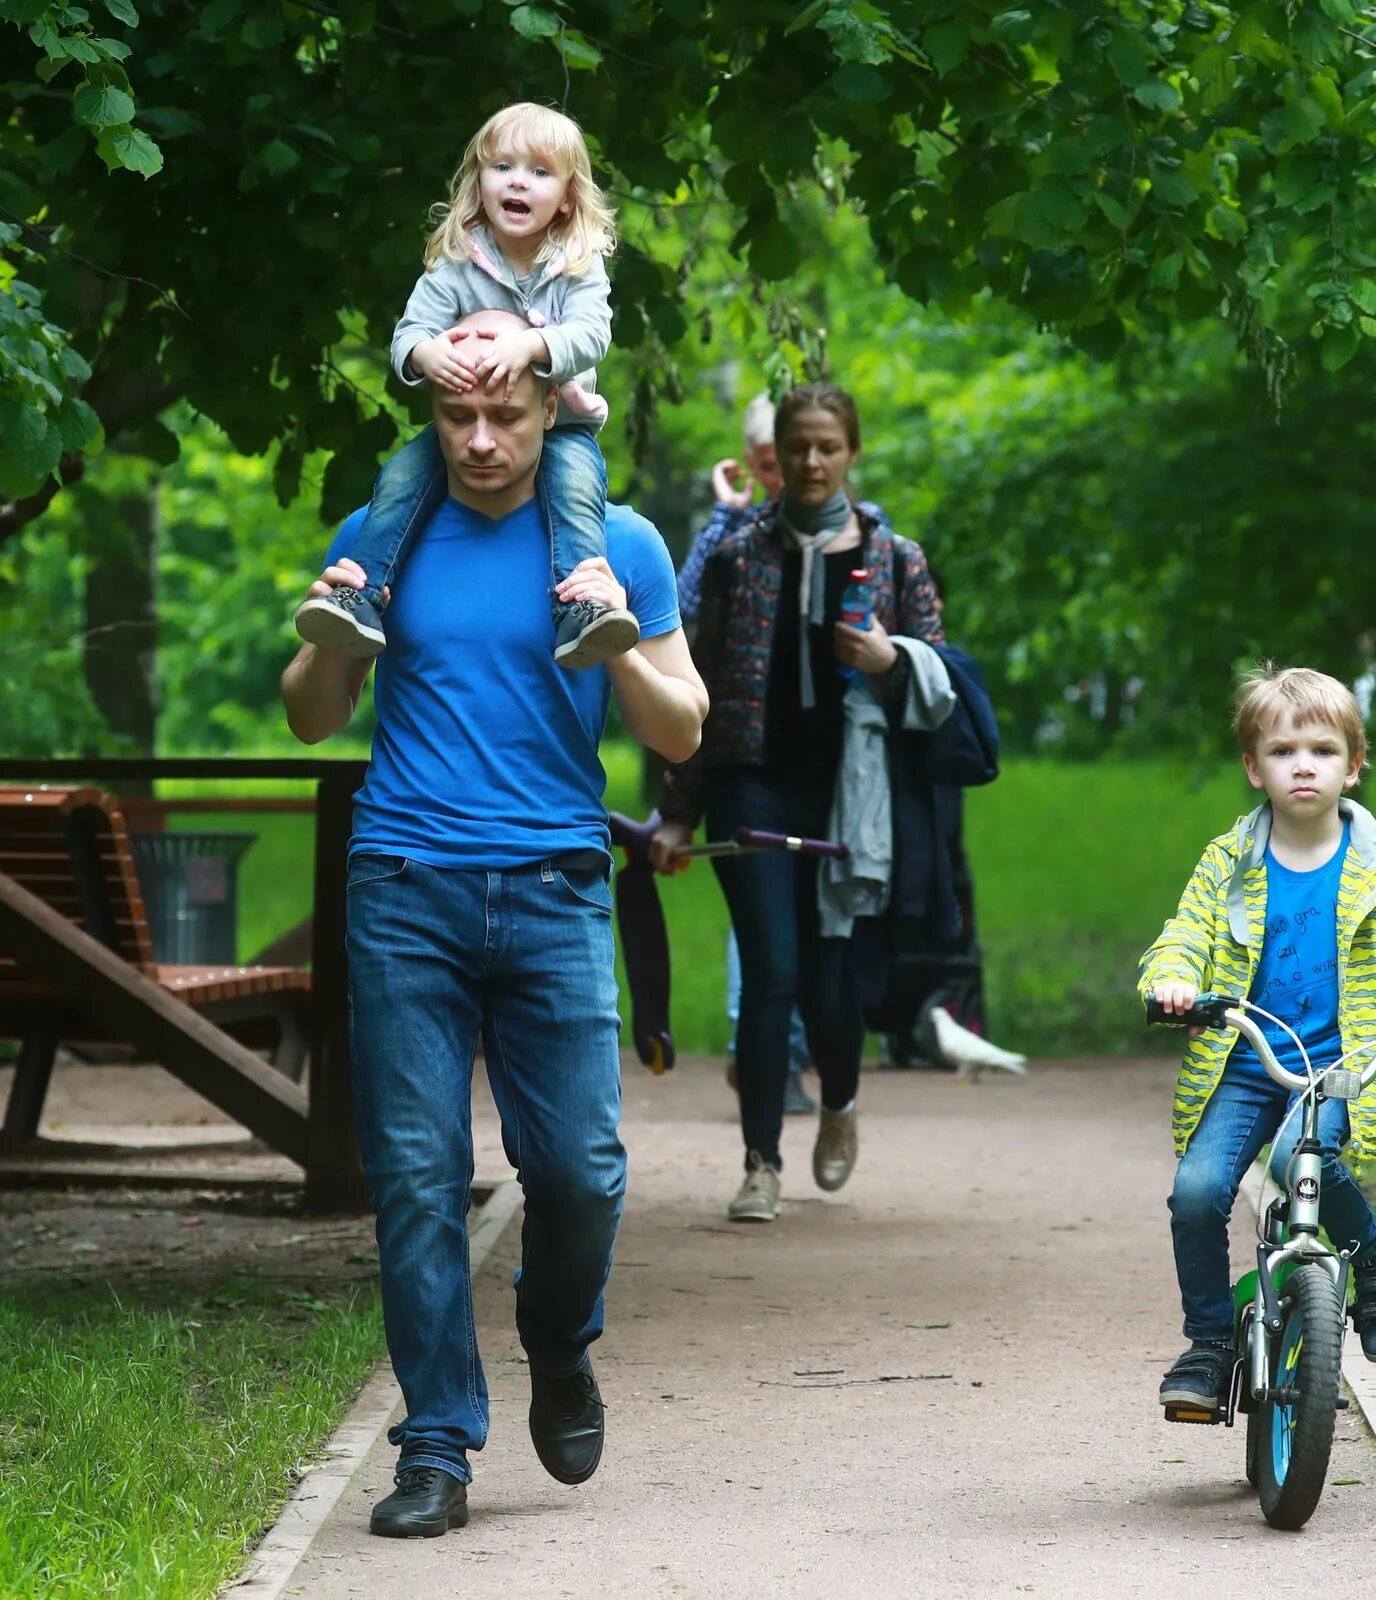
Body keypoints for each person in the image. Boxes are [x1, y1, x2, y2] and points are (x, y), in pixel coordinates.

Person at [282, 308, 707, 1540]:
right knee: (418, 1180)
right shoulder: (387, 529)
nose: (478, 440)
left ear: (551, 404)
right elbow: (314, 714)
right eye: (456, 415)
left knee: (580, 1171)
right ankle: (434, 1447)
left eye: (504, 415)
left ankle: (560, 1343)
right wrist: (329, 613)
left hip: (555, 885)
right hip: (403, 880)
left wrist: (613, 638)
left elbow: (681, 728)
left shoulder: (615, 537)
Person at [1141, 665, 1376, 1415]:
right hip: (1247, 1060)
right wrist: (1172, 982)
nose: (1304, 765)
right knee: (1197, 1193)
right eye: (1283, 751)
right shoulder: (1229, 863)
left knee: (1300, 1156)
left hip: (1341, 1063)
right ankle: (1207, 1346)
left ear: (1354, 765)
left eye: (1324, 750)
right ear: (1253, 768)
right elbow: (1184, 938)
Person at [647, 382, 948, 1223]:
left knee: (830, 983)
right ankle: (758, 1163)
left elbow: (944, 685)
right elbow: (692, 690)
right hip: (753, 782)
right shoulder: (737, 557)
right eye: (798, 447)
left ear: (852, 453)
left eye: (828, 447)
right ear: (774, 453)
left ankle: (840, 1102)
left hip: (855, 797)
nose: (812, 463)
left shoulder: (897, 559)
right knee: (771, 971)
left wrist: (890, 660)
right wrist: (677, 811)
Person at [293, 102, 638, 672]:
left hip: (562, 426)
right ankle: (362, 595)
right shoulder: (458, 261)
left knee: (575, 489)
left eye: (539, 172)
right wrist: (427, 353)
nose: (518, 181)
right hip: (471, 414)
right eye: (502, 167)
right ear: (480, 181)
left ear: (568, 196)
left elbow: (591, 334)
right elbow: (410, 334)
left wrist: (531, 345)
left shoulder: (577, 264)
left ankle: (579, 609)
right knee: (400, 477)